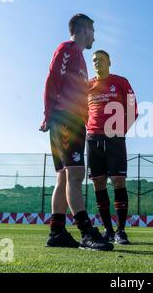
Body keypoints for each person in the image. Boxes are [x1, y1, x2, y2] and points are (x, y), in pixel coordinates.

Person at [40, 14, 113, 251]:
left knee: (63, 176)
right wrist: (49, 113)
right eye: (93, 31)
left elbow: (75, 90)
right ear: (84, 30)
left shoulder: (80, 59)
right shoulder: (68, 48)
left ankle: (57, 231)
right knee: (75, 175)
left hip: (72, 120)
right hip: (64, 119)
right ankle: (86, 232)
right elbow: (52, 78)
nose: (95, 36)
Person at [86, 50, 138, 245]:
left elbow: (133, 110)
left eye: (100, 59)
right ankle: (108, 230)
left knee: (118, 181)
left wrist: (119, 130)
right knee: (98, 183)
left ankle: (120, 231)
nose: (97, 62)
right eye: (94, 60)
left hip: (115, 139)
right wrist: (92, 129)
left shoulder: (121, 82)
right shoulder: (87, 86)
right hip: (93, 139)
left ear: (109, 62)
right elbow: (83, 113)